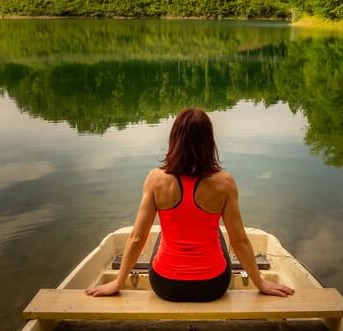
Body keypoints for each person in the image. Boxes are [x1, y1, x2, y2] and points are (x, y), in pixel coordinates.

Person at [86, 107, 295, 300]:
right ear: (208, 141)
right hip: (212, 286)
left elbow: (137, 237)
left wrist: (118, 282)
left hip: (165, 285)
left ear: (175, 138)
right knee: (219, 232)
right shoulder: (225, 183)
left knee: (163, 232)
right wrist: (260, 283)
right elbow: (239, 241)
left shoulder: (155, 180)